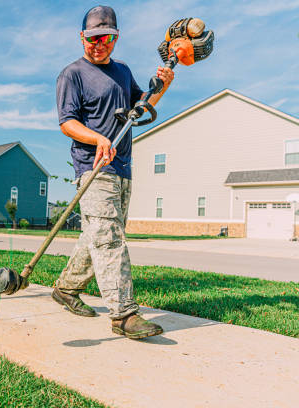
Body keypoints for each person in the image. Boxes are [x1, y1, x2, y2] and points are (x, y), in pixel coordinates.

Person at [53, 5, 174, 339]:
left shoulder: (122, 71)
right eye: (92, 38)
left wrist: (162, 85)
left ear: (115, 38)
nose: (98, 44)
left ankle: (65, 288)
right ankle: (123, 315)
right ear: (82, 37)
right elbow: (67, 122)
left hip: (122, 167)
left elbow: (143, 105)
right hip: (93, 168)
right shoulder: (72, 74)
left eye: (105, 37)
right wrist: (98, 138)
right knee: (109, 238)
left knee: (97, 234)